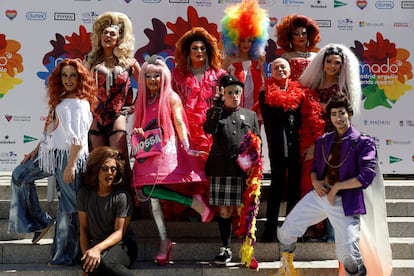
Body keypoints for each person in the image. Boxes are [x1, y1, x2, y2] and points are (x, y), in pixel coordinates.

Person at [276, 93, 391, 276]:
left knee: (349, 256)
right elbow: (314, 168)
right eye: (334, 114)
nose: (338, 118)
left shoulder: (364, 142)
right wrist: (314, 181)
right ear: (330, 117)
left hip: (346, 202)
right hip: (320, 195)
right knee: (287, 230)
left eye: (342, 113)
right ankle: (286, 268)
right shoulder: (324, 140)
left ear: (350, 114)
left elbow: (367, 176)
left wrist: (338, 187)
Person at [8, 59, 97, 265]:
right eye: (64, 75)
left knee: (68, 205)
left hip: (69, 156)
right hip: (49, 154)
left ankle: (65, 255)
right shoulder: (62, 98)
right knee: (20, 176)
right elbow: (52, 129)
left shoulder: (80, 104)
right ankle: (40, 222)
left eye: (73, 76)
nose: (68, 80)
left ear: (80, 78)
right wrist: (35, 150)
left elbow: (78, 138)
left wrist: (72, 165)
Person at [131, 55, 214, 266]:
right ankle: (164, 238)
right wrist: (139, 132)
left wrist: (186, 145)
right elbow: (141, 126)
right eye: (148, 76)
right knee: (145, 191)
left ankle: (192, 204)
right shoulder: (143, 99)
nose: (152, 80)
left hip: (167, 150)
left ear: (164, 77)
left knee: (150, 190)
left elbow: (179, 122)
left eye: (156, 76)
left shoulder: (170, 97)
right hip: (148, 152)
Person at [259, 57, 323, 242]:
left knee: (294, 191)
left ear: (289, 70)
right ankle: (270, 230)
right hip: (278, 150)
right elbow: (273, 118)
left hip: (297, 150)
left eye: (283, 67)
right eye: (276, 67)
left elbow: (304, 119)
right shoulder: (265, 93)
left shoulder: (301, 93)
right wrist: (284, 100)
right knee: (276, 190)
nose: (280, 69)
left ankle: (293, 230)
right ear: (272, 72)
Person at [204, 74, 260, 269]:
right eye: (230, 92)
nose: (234, 96)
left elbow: (257, 141)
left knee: (247, 212)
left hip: (245, 172)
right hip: (223, 169)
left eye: (237, 92)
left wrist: (252, 160)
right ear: (222, 94)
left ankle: (248, 250)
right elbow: (209, 128)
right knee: (225, 209)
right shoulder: (215, 112)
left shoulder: (250, 115)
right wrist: (217, 106)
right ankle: (225, 248)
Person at [171, 27, 226, 218]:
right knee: (190, 169)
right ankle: (193, 207)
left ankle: (214, 208)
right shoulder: (177, 76)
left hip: (211, 131)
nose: (199, 52)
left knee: (210, 168)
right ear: (187, 51)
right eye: (195, 48)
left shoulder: (219, 75)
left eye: (203, 48)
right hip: (186, 130)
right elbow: (171, 103)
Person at [84, 11, 141, 183]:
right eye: (105, 32)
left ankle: (126, 200)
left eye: (112, 33)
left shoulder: (130, 63)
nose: (107, 36)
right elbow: (81, 87)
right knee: (98, 162)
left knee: (120, 159)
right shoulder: (90, 60)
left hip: (118, 116)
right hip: (96, 116)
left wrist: (134, 106)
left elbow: (146, 87)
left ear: (119, 38)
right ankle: (99, 204)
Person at [77, 146, 137, 276]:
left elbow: (119, 233)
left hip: (123, 245)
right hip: (98, 247)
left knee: (107, 263)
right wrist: (87, 255)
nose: (109, 172)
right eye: (104, 168)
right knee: (89, 265)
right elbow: (84, 228)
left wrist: (97, 249)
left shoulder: (122, 196)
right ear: (96, 170)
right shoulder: (84, 194)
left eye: (113, 169)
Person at [220, 0, 269, 116]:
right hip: (233, 109)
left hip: (255, 109)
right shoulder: (229, 60)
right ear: (234, 40)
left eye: (249, 40)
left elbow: (266, 84)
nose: (246, 44)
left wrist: (262, 67)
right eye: (242, 40)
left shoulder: (257, 60)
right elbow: (219, 83)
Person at [276, 14, 320, 81]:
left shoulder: (316, 56)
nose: (301, 36)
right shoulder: (286, 57)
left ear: (309, 35)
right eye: (296, 34)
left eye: (304, 33)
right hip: (293, 90)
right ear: (290, 37)